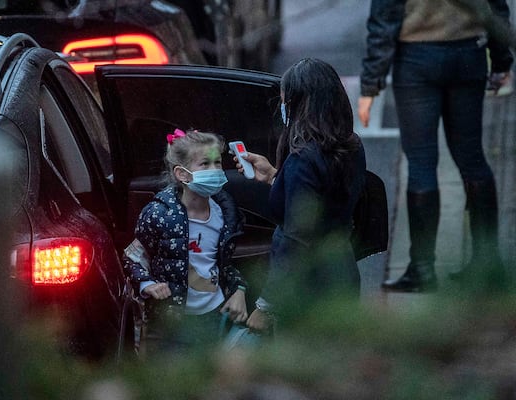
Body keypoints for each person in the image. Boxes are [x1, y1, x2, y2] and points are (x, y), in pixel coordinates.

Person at [359, 0, 513, 292]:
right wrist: (501, 60)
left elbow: (383, 17)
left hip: (416, 57)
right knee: (473, 158)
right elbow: (496, 8)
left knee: (420, 162)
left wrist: (371, 83)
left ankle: (422, 269)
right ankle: (488, 265)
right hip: (469, 53)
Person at [235, 58, 367, 331]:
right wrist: (275, 176)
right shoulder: (350, 145)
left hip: (309, 290)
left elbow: (296, 237)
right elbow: (323, 201)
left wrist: (266, 305)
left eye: (285, 102)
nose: (282, 108)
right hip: (342, 271)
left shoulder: (302, 159)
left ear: (299, 104)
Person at [123, 129, 249, 354]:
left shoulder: (225, 215)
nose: (215, 170)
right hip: (172, 321)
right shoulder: (158, 214)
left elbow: (222, 265)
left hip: (214, 315)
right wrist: (147, 284)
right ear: (182, 174)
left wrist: (238, 289)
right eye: (205, 164)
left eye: (218, 163)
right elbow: (133, 258)